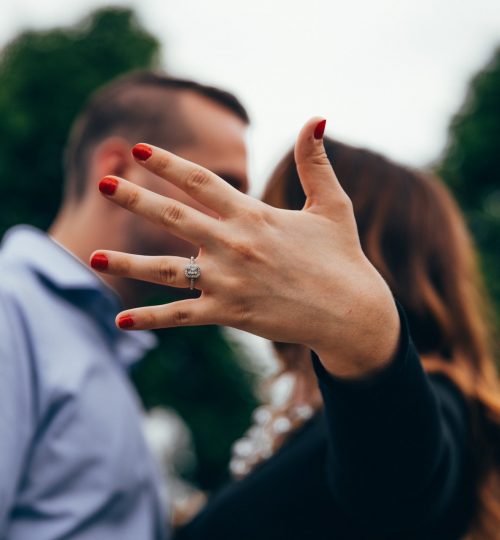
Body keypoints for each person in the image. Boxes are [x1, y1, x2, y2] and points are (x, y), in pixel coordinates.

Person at [91, 119, 500, 539]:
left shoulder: (435, 400)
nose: (247, 241)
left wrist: (364, 333)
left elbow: (398, 494)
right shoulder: (308, 416)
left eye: (274, 218)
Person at [0, 71, 250, 539]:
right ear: (118, 168)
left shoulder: (92, 332)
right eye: (221, 184)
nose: (239, 214)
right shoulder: (10, 310)